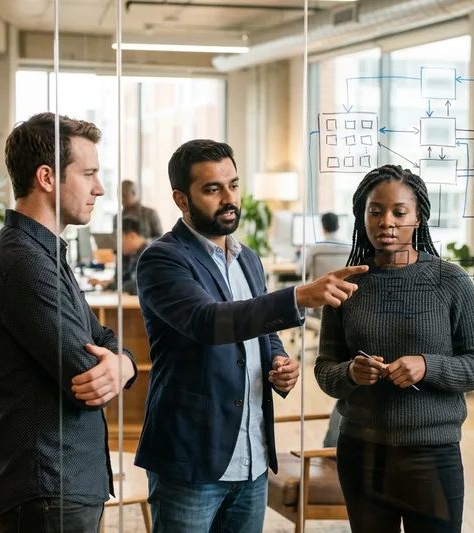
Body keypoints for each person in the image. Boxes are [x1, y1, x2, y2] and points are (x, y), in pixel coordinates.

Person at [134, 139, 369, 532]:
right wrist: (297, 295)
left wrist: (279, 360)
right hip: (192, 459)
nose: (229, 198)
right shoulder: (162, 259)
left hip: (253, 458)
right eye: (212, 189)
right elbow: (208, 321)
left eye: (234, 184)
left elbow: (261, 331)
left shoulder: (249, 259)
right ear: (181, 199)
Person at [0, 112, 138, 533]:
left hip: (64, 480)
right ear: (46, 177)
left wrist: (123, 365)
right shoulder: (23, 262)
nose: (99, 188)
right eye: (88, 174)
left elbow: (100, 337)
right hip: (46, 483)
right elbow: (85, 370)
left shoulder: (44, 253)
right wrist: (114, 365)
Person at [314, 164, 474, 533]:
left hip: (431, 455)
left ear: (418, 218)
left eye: (399, 212)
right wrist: (350, 373)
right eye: (375, 211)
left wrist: (428, 367)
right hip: (361, 452)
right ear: (361, 217)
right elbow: (324, 370)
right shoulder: (344, 285)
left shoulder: (451, 280)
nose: (386, 222)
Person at [88, 216, 147, 295]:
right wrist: (108, 282)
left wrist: (109, 285)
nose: (118, 244)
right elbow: (124, 277)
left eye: (120, 239)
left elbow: (136, 286)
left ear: (132, 236)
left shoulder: (148, 255)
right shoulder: (134, 253)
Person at [296, 212, 348, 278]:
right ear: (338, 227)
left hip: (320, 288)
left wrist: (302, 253)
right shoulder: (350, 247)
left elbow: (300, 271)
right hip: (343, 287)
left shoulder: (315, 249)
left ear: (323, 228)